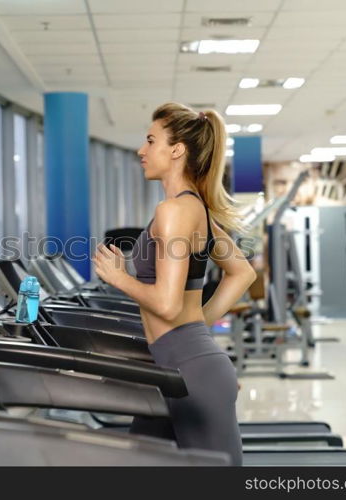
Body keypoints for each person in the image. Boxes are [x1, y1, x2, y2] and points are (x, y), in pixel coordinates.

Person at [92, 103, 255, 465]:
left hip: (188, 370)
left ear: (177, 149)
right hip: (178, 364)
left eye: (151, 141)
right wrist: (198, 333)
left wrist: (119, 277)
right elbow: (242, 272)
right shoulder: (195, 209)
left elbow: (166, 304)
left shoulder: (175, 211)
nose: (142, 150)